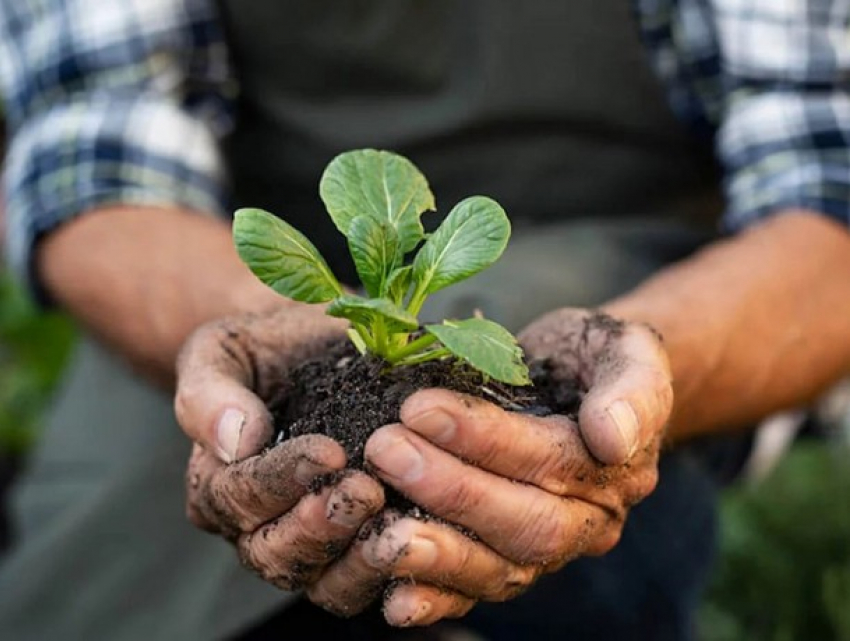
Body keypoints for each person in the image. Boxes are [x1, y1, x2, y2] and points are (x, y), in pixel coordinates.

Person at [1, 1, 849, 640]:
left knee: (525, 455)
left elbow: (826, 188)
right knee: (95, 574)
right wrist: (256, 341)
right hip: (218, 284)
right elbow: (95, 153)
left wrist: (639, 381)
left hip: (634, 271)